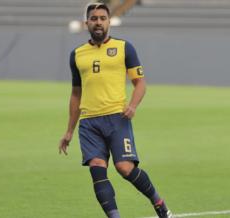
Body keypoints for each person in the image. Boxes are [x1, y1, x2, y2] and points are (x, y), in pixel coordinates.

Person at [59, 3, 172, 218]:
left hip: (117, 119)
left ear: (109, 22)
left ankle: (159, 202)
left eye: (102, 18)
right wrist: (69, 131)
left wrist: (133, 105)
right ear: (87, 23)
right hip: (89, 122)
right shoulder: (77, 55)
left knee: (124, 168)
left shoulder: (124, 48)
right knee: (97, 168)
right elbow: (76, 94)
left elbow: (140, 83)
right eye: (94, 18)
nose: (98, 22)